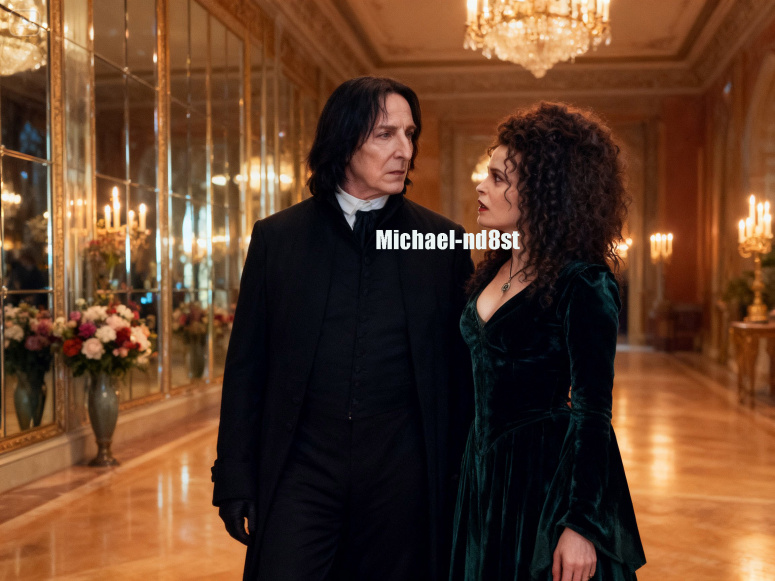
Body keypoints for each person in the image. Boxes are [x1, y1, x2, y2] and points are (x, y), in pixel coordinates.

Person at [211, 76, 474, 581]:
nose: (404, 151)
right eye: (385, 134)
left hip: (403, 475)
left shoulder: (441, 241)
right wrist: (235, 476)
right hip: (301, 469)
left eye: (409, 134)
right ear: (344, 139)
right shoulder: (278, 238)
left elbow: (462, 374)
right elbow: (247, 367)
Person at [449, 102, 646, 581]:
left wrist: (581, 525)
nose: (481, 186)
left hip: (543, 478)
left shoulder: (584, 283)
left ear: (543, 193)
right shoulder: (493, 269)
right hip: (484, 470)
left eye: (498, 177)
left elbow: (593, 412)